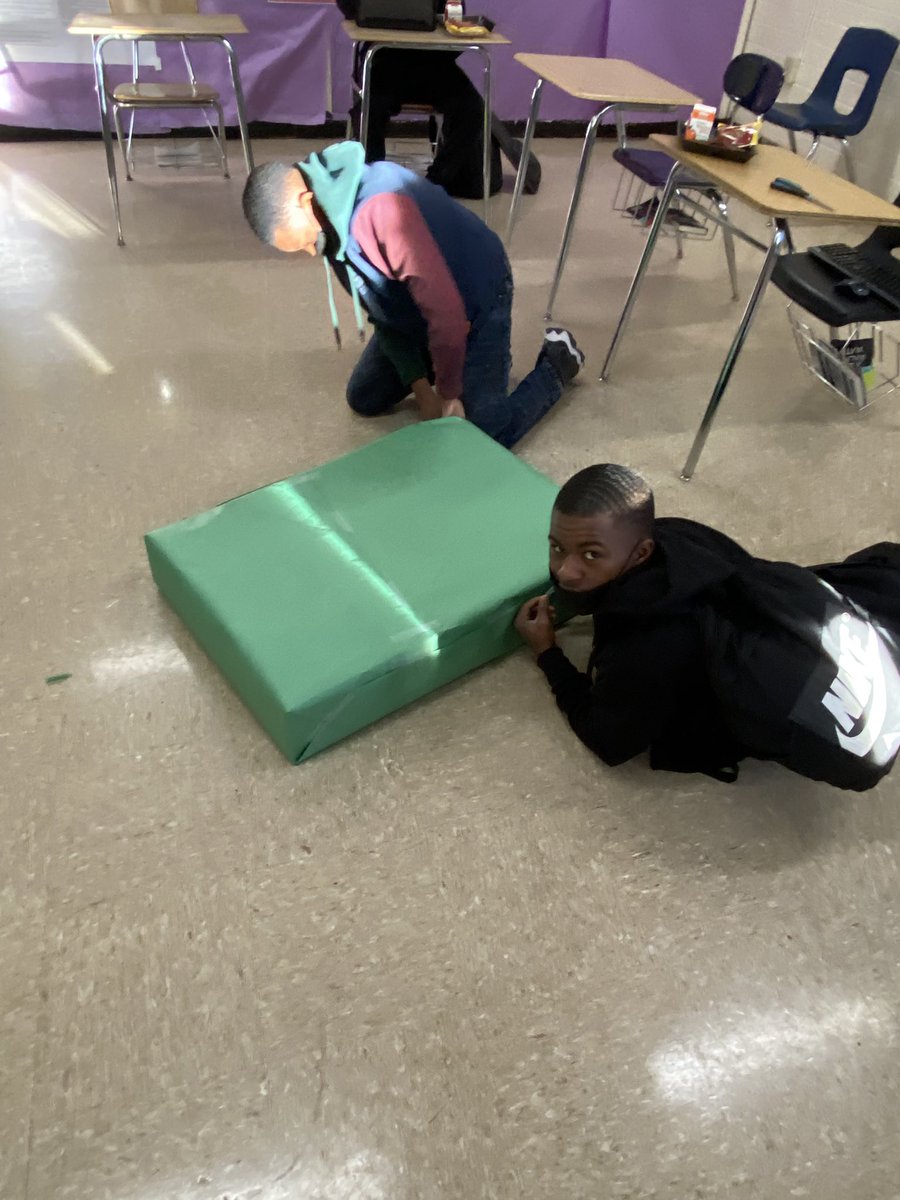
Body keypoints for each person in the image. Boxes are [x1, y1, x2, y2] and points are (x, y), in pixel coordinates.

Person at [514, 463, 900, 787]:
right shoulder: (677, 534)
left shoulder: (644, 646)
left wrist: (548, 653)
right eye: (557, 547)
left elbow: (608, 741)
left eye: (591, 554)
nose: (565, 570)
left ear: (641, 553)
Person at [241, 143, 583, 448]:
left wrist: (448, 392)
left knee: (485, 434)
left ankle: (558, 362)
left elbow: (448, 317)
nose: (311, 253)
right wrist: (423, 393)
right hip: (419, 309)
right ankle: (444, 358)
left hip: (476, 298)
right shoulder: (326, 220)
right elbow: (381, 313)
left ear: (305, 202)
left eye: (303, 243)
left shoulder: (381, 211)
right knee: (363, 397)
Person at [335, 0, 502, 199]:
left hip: (434, 62)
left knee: (472, 109)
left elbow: (454, 11)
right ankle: (375, 182)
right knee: (371, 110)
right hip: (384, 59)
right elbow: (349, 8)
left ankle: (434, 182)